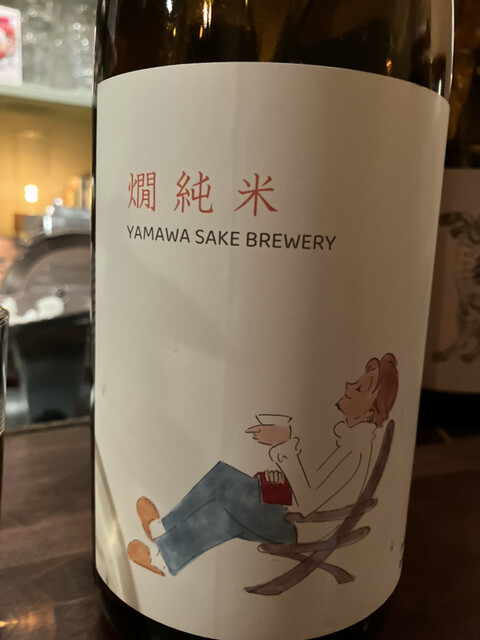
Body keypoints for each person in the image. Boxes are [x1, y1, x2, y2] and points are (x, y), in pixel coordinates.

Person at [127, 353, 398, 577]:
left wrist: (283, 444)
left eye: (359, 389)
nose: (349, 386)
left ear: (370, 410)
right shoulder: (349, 440)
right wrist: (284, 468)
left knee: (227, 506)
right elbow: (313, 484)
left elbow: (310, 500)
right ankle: (163, 529)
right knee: (223, 476)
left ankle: (163, 558)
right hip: (289, 511)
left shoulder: (353, 452)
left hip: (297, 527)